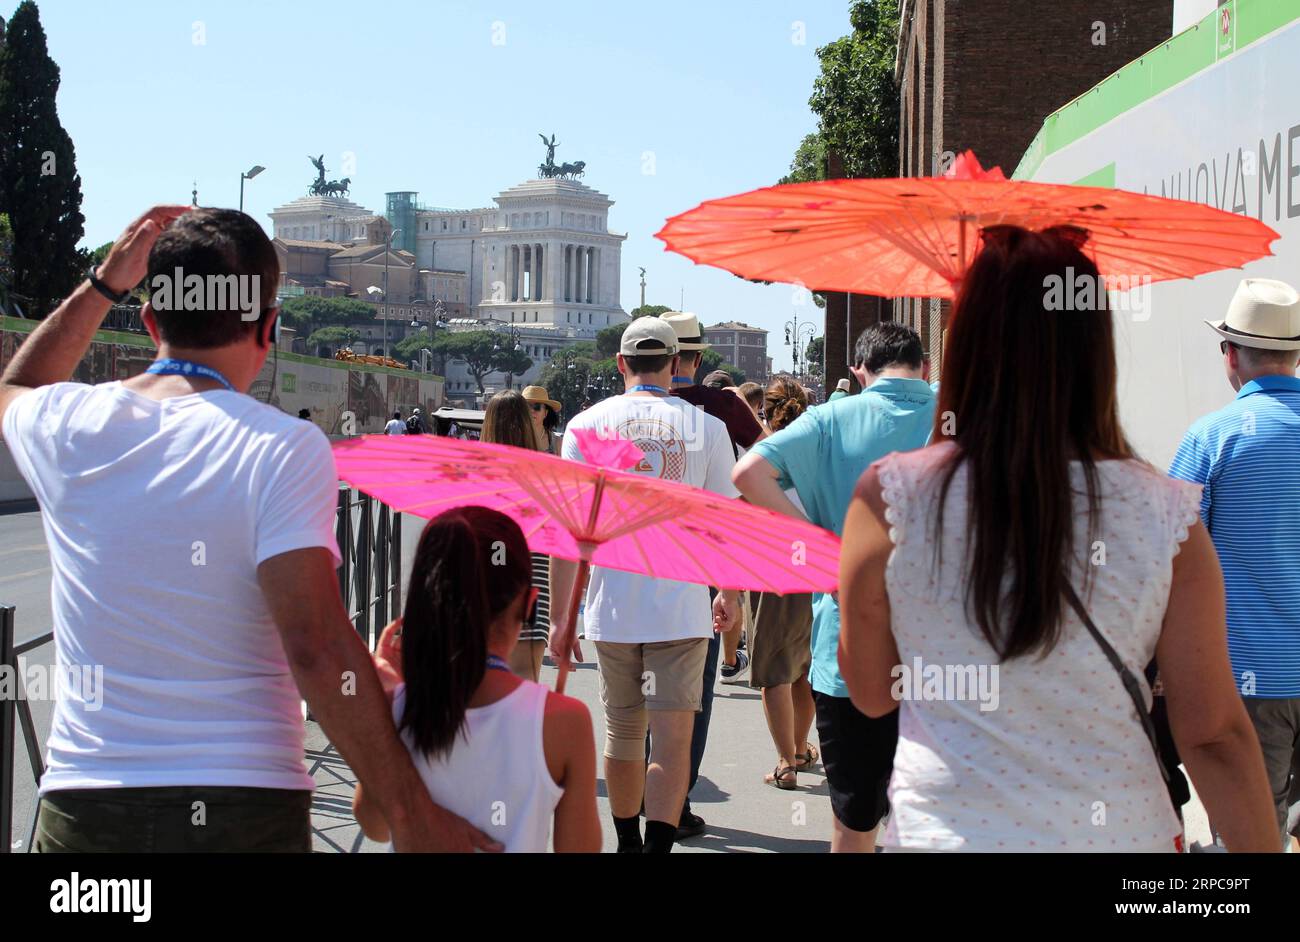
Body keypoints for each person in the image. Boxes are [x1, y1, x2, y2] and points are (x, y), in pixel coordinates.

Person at [0, 206, 486, 852]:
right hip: (241, 807)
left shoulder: (68, 423)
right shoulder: (283, 447)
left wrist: (106, 282)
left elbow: (18, 383)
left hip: (87, 806)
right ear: (269, 325)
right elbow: (315, 645)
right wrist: (408, 810)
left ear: (149, 321)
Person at [837, 225, 1278, 852]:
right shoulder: (1167, 514)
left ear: (964, 346)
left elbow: (874, 694)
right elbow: (1212, 734)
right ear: (1093, 347)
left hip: (948, 832)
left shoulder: (890, 498)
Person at [732, 321, 934, 853]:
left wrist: (821, 548)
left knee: (853, 820)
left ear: (858, 371)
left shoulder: (828, 420)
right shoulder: (963, 416)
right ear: (924, 367)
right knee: (940, 821)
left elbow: (748, 473)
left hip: (849, 649)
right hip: (949, 653)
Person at [550, 317, 741, 853]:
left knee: (624, 734)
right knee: (673, 739)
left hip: (612, 606)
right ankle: (658, 848)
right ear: (677, 364)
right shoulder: (708, 429)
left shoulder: (586, 427)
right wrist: (730, 593)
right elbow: (727, 524)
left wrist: (563, 620)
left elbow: (572, 534)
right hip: (681, 608)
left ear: (620, 364)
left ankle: (628, 843)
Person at [354, 507, 599, 852]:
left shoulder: (397, 705)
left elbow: (375, 825)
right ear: (529, 601)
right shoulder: (566, 722)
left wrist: (384, 700)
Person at [1168, 277, 1300, 851]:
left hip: (1249, 680)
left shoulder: (1211, 439)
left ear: (1231, 355)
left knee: (1247, 842)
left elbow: (1165, 556)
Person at [659, 311, 763, 838]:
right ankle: (675, 803)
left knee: (634, 698)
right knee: (692, 694)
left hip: (637, 565)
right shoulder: (720, 407)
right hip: (702, 562)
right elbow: (768, 457)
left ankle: (638, 803)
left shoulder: (620, 412)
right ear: (694, 359)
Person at [746, 377, 817, 790]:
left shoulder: (761, 455)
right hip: (812, 564)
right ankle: (801, 747)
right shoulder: (817, 454)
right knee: (803, 667)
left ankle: (784, 763)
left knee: (773, 669)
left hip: (768, 566)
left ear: (765, 412)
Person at [481, 390, 554, 682]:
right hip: (531, 582)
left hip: (484, 583)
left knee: (482, 685)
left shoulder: (474, 471)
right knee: (525, 682)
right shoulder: (544, 473)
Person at [521, 385, 561, 454]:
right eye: (527, 406)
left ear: (545, 413)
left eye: (537, 407)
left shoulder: (557, 443)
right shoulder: (513, 439)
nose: (531, 410)